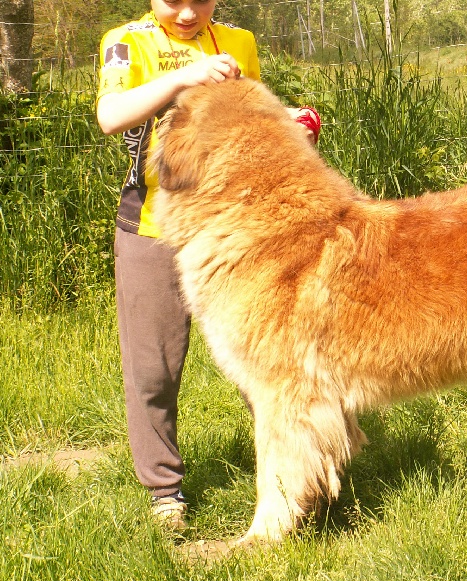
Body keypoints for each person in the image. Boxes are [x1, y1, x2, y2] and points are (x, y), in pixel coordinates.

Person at [96, 0, 320, 530]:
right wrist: (184, 80)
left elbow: (253, 125)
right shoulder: (128, 41)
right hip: (154, 228)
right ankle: (164, 492)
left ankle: (299, 479)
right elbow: (111, 117)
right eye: (174, 1)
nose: (188, 12)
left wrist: (289, 125)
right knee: (154, 370)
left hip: (235, 230)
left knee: (271, 367)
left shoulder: (238, 42)